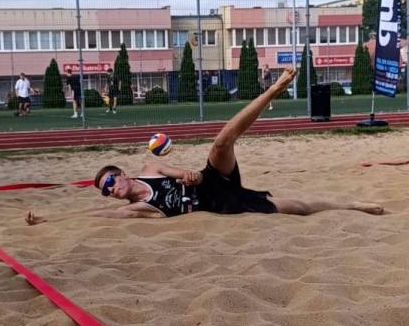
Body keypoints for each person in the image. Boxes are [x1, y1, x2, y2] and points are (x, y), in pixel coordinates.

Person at [87, 67, 384, 221]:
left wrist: (189, 176)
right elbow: (104, 216)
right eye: (105, 190)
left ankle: (273, 90)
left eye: (109, 181)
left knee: (220, 144)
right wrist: (57, 221)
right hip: (222, 206)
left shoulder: (150, 168)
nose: (110, 189)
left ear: (122, 173)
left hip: (210, 182)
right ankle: (351, 206)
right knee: (297, 207)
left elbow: (185, 174)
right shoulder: (139, 208)